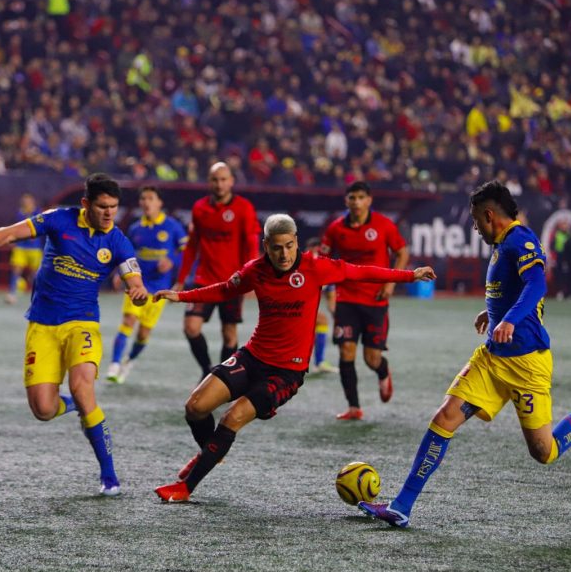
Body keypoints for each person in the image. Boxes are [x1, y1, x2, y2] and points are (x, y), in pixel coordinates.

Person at [359, 181, 571, 528]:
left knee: (544, 452)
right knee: (445, 417)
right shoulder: (502, 244)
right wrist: (493, 313)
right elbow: (512, 289)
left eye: (475, 219)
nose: (474, 227)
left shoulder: (520, 240)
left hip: (528, 363)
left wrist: (510, 318)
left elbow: (538, 284)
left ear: (489, 215)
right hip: (493, 357)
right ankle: (402, 505)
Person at [151, 213, 436, 503]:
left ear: (297, 241)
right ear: (265, 246)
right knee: (195, 407)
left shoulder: (316, 267)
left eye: (289, 245)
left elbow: (360, 271)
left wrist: (409, 275)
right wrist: (183, 296)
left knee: (231, 417)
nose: (284, 253)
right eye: (276, 247)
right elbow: (225, 289)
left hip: (285, 372)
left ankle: (186, 487)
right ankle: (210, 452)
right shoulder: (256, 270)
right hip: (252, 357)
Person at [0, 173, 149, 495]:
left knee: (83, 387)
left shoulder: (118, 240)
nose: (109, 213)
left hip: (83, 324)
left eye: (114, 207)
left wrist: (137, 290)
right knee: (43, 410)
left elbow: (133, 276)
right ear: (85, 204)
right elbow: (11, 233)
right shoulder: (58, 219)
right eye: (103, 206)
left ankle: (109, 476)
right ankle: (78, 406)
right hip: (42, 325)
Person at [319, 181, 409, 420]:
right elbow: (322, 262)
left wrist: (390, 284)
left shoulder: (383, 225)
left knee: (371, 358)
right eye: (352, 198)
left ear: (369, 200)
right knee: (346, 351)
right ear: (346, 201)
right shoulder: (336, 228)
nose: (356, 202)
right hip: (346, 298)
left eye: (361, 197)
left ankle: (383, 370)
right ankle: (354, 407)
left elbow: (402, 252)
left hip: (376, 300)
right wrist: (329, 293)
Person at [174, 161, 260, 377]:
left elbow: (251, 245)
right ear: (209, 182)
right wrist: (182, 278)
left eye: (223, 179)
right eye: (215, 179)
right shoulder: (200, 208)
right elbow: (192, 246)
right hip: (204, 280)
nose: (219, 184)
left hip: (233, 282)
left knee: (229, 333)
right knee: (191, 327)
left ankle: (222, 379)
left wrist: (251, 278)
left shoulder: (244, 208)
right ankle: (206, 370)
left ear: (231, 182)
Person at [106, 185, 187, 384]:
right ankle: (114, 364)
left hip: (159, 289)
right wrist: (119, 272)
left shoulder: (172, 226)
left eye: (150, 198)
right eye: (143, 199)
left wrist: (172, 261)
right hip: (137, 284)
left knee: (143, 333)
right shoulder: (135, 228)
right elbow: (126, 254)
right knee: (128, 321)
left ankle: (128, 361)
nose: (146, 202)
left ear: (159, 202)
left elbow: (186, 251)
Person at [304, 237, 337, 374]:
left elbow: (331, 297)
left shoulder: (326, 269)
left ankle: (318, 362)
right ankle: (317, 362)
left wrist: (337, 318)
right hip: (288, 307)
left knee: (321, 321)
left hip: (303, 308)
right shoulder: (299, 265)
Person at [5, 193, 43, 304]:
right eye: (25, 201)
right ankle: (12, 294)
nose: (27, 203)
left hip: (35, 248)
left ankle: (38, 296)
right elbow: (15, 229)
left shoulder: (38, 213)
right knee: (16, 270)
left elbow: (42, 228)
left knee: (35, 274)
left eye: (29, 201)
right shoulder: (19, 213)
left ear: (33, 202)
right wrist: (12, 240)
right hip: (21, 247)